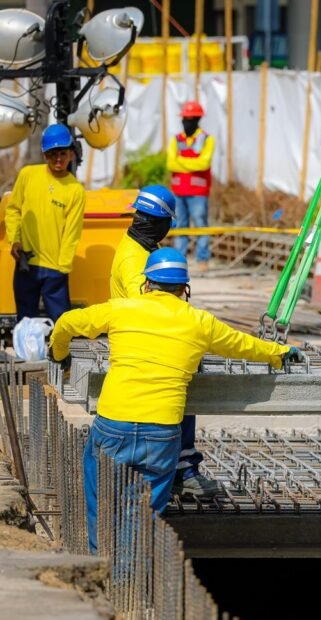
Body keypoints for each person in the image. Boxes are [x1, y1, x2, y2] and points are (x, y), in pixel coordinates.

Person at [48, 247, 304, 553]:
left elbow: (66, 323)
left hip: (114, 425)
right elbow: (243, 345)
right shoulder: (199, 322)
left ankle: (98, 568)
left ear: (147, 283)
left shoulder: (121, 309)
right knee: (141, 517)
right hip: (162, 433)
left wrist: (59, 354)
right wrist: (279, 352)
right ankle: (129, 572)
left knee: (102, 506)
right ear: (184, 289)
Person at [109, 185, 220, 499]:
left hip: (145, 340)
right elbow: (151, 310)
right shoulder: (134, 260)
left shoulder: (141, 247)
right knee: (178, 399)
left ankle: (174, 468)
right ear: (166, 223)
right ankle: (180, 472)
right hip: (145, 347)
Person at [5, 124, 85, 321]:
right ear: (44, 154)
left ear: (71, 154)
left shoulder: (75, 190)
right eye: (52, 154)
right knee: (26, 323)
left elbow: (72, 232)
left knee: (61, 325)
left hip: (55, 270)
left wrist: (62, 268)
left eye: (62, 153)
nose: (58, 159)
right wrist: (15, 240)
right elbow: (13, 210)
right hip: (26, 264)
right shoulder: (28, 175)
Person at [167, 101, 215, 271]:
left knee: (200, 224)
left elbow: (204, 163)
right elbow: (171, 164)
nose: (186, 122)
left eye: (190, 119)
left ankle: (202, 258)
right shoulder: (176, 139)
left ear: (197, 120)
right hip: (178, 191)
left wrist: (181, 161)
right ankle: (179, 259)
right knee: (180, 225)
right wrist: (192, 163)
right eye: (184, 119)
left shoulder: (207, 139)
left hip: (198, 192)